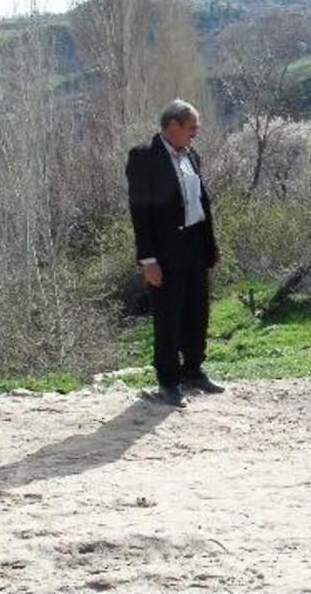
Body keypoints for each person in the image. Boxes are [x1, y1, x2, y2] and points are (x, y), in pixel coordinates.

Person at [127, 99, 224, 407]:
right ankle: (168, 381)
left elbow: (200, 203)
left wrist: (210, 244)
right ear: (172, 126)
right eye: (191, 127)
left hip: (195, 246)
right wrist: (148, 260)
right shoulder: (144, 157)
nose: (195, 133)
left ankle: (193, 370)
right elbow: (140, 212)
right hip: (165, 252)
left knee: (198, 311)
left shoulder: (191, 154)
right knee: (168, 317)